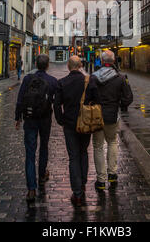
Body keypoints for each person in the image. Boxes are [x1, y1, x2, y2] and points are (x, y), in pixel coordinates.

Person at [86, 50, 133, 192]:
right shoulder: (120, 77)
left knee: (98, 146)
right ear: (114, 61)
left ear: (101, 60)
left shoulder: (93, 77)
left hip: (97, 116)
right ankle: (112, 173)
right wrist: (119, 104)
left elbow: (87, 98)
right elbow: (128, 98)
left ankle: (101, 180)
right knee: (112, 142)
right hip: (112, 115)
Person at [15, 54, 58, 205]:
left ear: (35, 64)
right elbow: (55, 102)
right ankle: (41, 175)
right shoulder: (52, 81)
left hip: (30, 119)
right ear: (47, 65)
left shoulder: (27, 79)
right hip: (45, 119)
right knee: (44, 147)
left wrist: (17, 117)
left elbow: (20, 99)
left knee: (30, 152)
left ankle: (31, 188)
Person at [54, 56, 92, 208]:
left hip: (69, 124)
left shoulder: (62, 82)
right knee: (83, 152)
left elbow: (56, 105)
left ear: (69, 66)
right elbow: (96, 101)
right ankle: (82, 184)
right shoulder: (89, 81)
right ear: (81, 65)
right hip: (86, 123)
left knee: (73, 156)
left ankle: (77, 193)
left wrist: (61, 120)